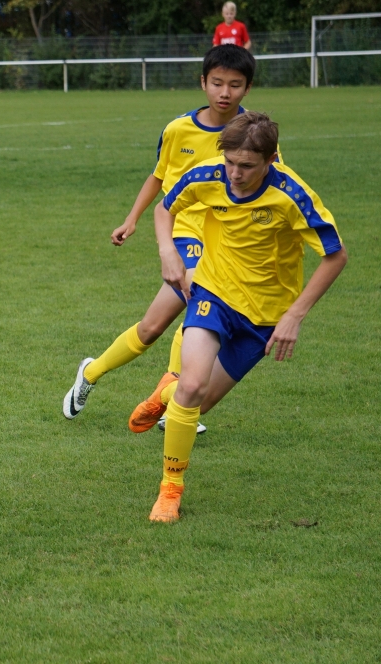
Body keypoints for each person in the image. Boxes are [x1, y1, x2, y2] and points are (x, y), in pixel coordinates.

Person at [132, 112, 346, 522]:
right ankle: (170, 491)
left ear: (270, 160)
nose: (234, 173)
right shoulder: (208, 175)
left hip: (264, 317)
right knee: (192, 385)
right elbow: (165, 208)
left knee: (198, 402)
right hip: (212, 292)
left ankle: (164, 396)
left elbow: (335, 256)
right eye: (230, 162)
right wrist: (167, 251)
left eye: (246, 166)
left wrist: (295, 315)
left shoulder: (291, 195)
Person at [63, 45, 261, 433]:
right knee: (198, 299)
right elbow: (158, 175)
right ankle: (175, 398)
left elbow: (271, 182)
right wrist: (132, 218)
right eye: (217, 83)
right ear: (203, 82)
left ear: (247, 88)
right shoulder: (178, 130)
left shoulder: (255, 132)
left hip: (231, 241)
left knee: (152, 328)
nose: (225, 92)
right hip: (185, 231)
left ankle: (93, 371)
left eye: (235, 85)